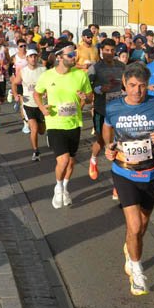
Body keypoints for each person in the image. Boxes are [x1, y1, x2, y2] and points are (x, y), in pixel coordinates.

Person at [103, 62, 154, 296]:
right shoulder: (113, 107)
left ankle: (130, 247)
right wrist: (108, 147)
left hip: (152, 172)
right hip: (124, 172)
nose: (137, 91)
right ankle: (137, 272)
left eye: (142, 86)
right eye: (132, 85)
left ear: (147, 85)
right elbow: (107, 129)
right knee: (135, 225)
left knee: (142, 225)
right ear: (124, 83)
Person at [33, 42, 93, 209]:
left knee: (71, 163)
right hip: (55, 123)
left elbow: (90, 97)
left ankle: (65, 188)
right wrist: (41, 107)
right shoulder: (47, 76)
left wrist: (85, 98)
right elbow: (37, 93)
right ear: (59, 57)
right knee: (64, 159)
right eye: (71, 55)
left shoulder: (80, 75)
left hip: (74, 123)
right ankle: (58, 188)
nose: (74, 57)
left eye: (75, 54)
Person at [88, 38, 126, 182]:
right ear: (101, 51)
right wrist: (99, 89)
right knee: (101, 141)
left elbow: (126, 83)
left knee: (119, 142)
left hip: (118, 111)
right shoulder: (95, 68)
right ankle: (93, 159)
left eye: (112, 50)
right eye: (106, 50)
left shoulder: (121, 66)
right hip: (101, 110)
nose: (109, 53)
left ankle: (120, 179)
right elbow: (87, 87)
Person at [16, 48, 47, 161]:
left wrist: (47, 92)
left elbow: (49, 84)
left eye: (35, 56)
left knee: (41, 131)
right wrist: (16, 95)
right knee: (34, 128)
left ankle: (45, 131)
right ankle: (36, 151)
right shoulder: (23, 71)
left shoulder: (43, 69)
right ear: (27, 58)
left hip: (41, 104)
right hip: (28, 103)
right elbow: (15, 83)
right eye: (31, 56)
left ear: (37, 57)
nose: (33, 58)